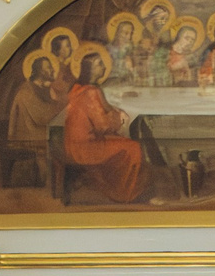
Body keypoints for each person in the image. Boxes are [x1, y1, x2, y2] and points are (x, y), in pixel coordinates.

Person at [61, 50, 149, 204]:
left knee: (121, 141)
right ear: (90, 69)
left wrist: (112, 111)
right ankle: (126, 193)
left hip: (71, 144)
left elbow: (99, 111)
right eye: (99, 64)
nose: (103, 67)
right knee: (133, 147)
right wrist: (119, 118)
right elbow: (103, 126)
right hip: (86, 147)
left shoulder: (77, 88)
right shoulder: (91, 91)